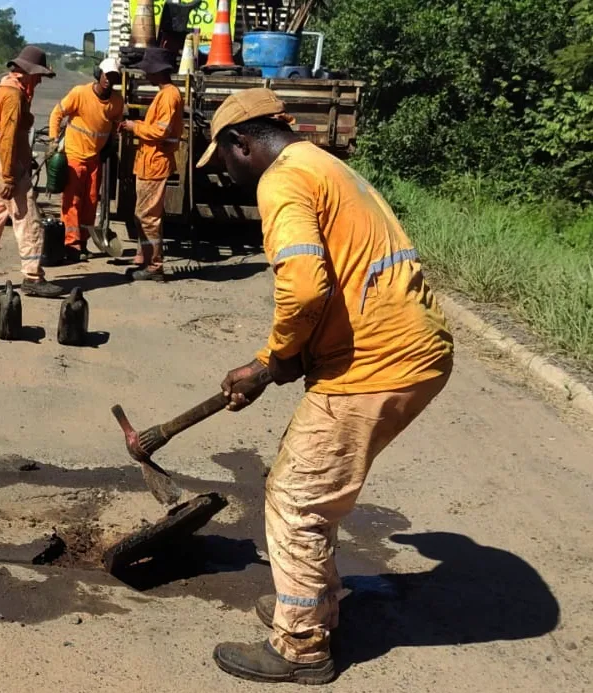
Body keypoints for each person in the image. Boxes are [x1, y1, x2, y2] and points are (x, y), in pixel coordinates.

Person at [203, 88, 455, 684]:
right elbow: (337, 280)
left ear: (243, 142)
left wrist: (267, 362)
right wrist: (296, 356)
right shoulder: (326, 165)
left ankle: (301, 646)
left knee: (296, 498)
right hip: (410, 350)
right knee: (314, 488)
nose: (229, 177)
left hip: (378, 360)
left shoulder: (283, 179)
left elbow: (307, 288)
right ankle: (313, 602)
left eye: (226, 162)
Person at [0, 45, 65, 298]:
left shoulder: (1, 90)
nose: (40, 82)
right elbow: (9, 138)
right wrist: (11, 176)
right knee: (29, 221)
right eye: (38, 77)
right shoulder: (13, 96)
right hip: (6, 168)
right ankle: (33, 277)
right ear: (27, 73)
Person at [47, 58, 124, 263]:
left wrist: (110, 145)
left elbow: (115, 126)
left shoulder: (117, 102)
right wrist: (54, 139)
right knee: (72, 202)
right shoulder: (80, 93)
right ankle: (70, 244)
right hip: (73, 156)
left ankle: (82, 243)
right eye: (107, 76)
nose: (110, 81)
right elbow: (57, 113)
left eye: (114, 77)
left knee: (90, 203)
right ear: (99, 75)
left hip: (94, 159)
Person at [118, 47, 182, 282]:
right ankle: (147, 261)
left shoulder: (169, 96)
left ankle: (154, 266)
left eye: (148, 70)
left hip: (155, 163)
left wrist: (133, 127)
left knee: (148, 217)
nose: (146, 74)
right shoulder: (165, 94)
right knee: (143, 215)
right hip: (149, 162)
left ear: (158, 72)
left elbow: (159, 132)